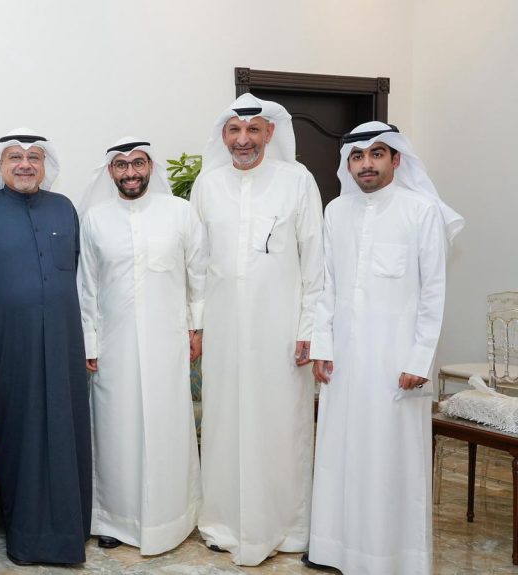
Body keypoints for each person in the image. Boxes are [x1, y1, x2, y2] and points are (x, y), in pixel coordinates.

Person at [305, 122, 463, 574]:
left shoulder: (421, 211)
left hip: (396, 361)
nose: (366, 164)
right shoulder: (336, 211)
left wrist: (419, 359)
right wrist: (322, 345)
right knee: (340, 453)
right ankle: (334, 549)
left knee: (390, 459)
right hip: (344, 359)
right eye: (357, 156)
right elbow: (327, 286)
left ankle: (391, 558)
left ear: (396, 159)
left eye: (377, 154)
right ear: (348, 164)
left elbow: (433, 293)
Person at [191, 94, 324, 565]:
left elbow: (315, 260)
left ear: (269, 133)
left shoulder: (297, 180)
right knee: (224, 423)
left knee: (281, 424)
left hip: (282, 330)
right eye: (234, 130)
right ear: (223, 136)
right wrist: (197, 325)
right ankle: (223, 522)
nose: (243, 140)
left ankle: (287, 526)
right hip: (224, 329)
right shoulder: (207, 185)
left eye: (252, 130)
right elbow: (198, 264)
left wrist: (310, 326)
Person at [0, 128, 91, 566]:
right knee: (21, 436)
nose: (24, 164)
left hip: (65, 343)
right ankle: (28, 538)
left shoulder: (64, 209)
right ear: (0, 165)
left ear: (45, 164)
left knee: (68, 430)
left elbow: (81, 277)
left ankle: (72, 532)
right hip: (9, 346)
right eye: (15, 157)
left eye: (34, 157)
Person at [78, 137, 206, 555]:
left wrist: (198, 328)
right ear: (110, 171)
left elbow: (198, 275)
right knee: (116, 431)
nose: (130, 172)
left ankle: (173, 518)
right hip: (113, 345)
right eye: (121, 165)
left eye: (137, 163)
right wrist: (90, 342)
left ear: (150, 166)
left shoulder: (180, 212)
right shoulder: (95, 219)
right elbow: (87, 286)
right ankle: (113, 519)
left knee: (168, 427)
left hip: (169, 342)